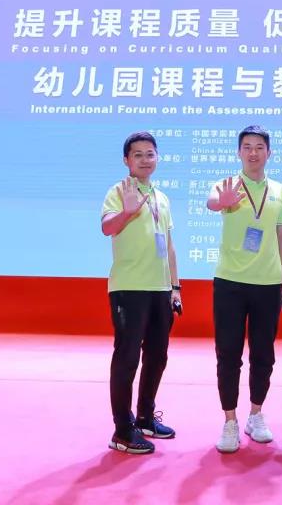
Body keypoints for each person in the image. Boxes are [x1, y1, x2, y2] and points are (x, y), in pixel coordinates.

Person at [207, 125, 282, 453]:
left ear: (269, 153)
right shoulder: (227, 184)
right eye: (247, 147)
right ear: (238, 152)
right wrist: (222, 202)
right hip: (230, 282)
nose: (253, 152)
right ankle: (229, 420)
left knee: (263, 354)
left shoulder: (279, 191)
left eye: (259, 147)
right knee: (228, 353)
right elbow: (212, 202)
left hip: (268, 284)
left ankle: (256, 414)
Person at [101, 131, 181, 455]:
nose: (145, 160)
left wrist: (175, 287)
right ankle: (123, 430)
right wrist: (127, 212)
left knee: (157, 356)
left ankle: (146, 417)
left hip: (160, 289)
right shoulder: (119, 191)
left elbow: (170, 246)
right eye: (138, 155)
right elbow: (107, 228)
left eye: (150, 154)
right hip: (129, 288)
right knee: (127, 358)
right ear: (126, 160)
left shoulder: (162, 197)